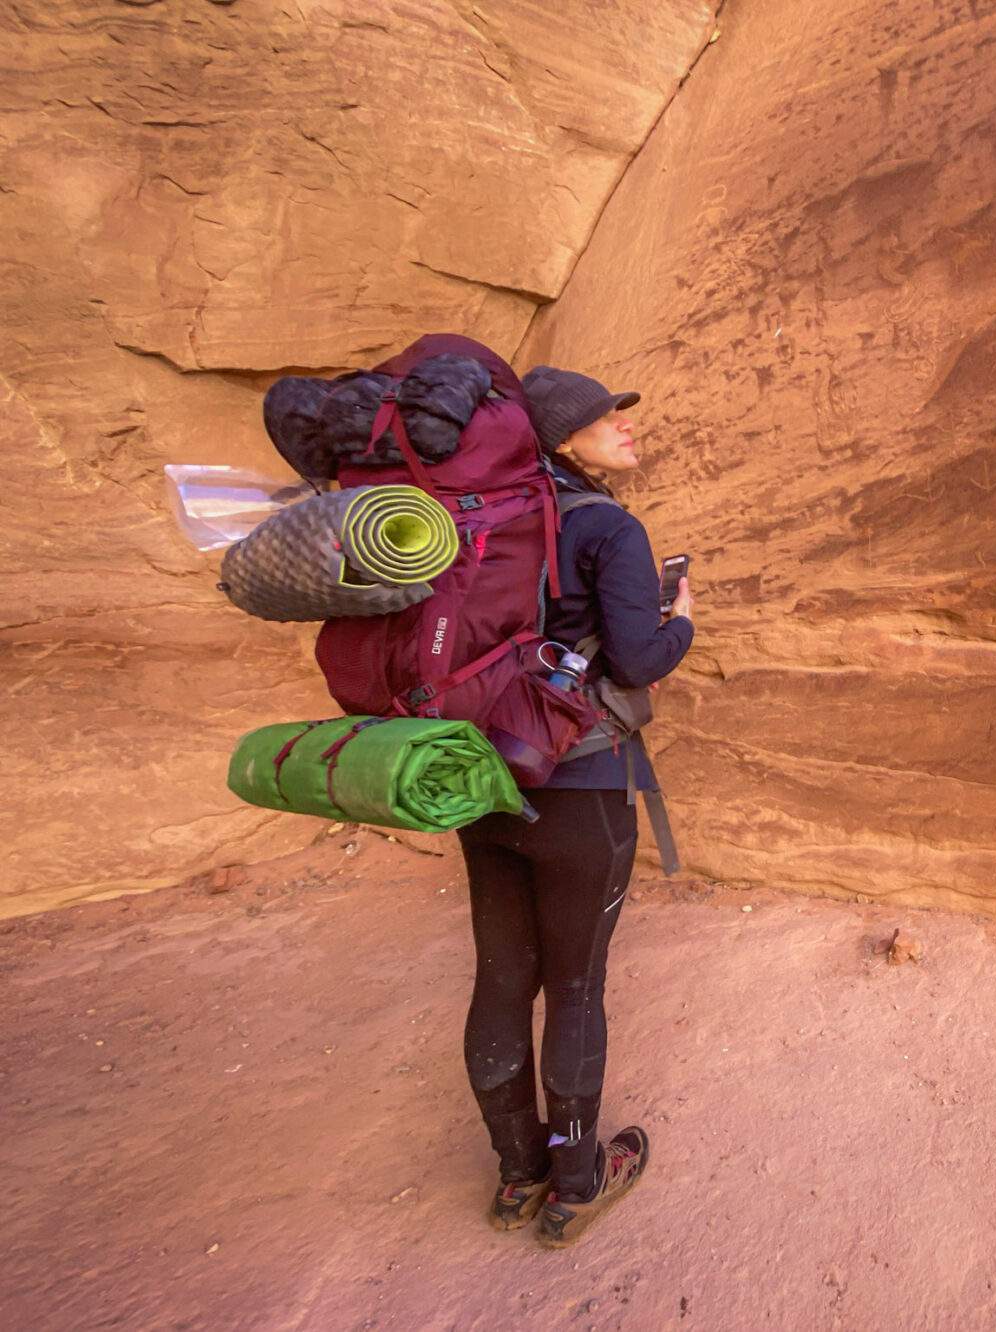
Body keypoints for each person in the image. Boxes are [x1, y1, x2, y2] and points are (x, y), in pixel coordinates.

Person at [454, 367, 694, 1249]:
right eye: (603, 417)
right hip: (580, 787)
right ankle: (576, 1177)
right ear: (561, 441)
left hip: (482, 780)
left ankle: (520, 1173)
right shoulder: (609, 528)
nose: (623, 425)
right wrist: (683, 620)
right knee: (577, 987)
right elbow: (636, 661)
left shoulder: (480, 525)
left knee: (503, 979)